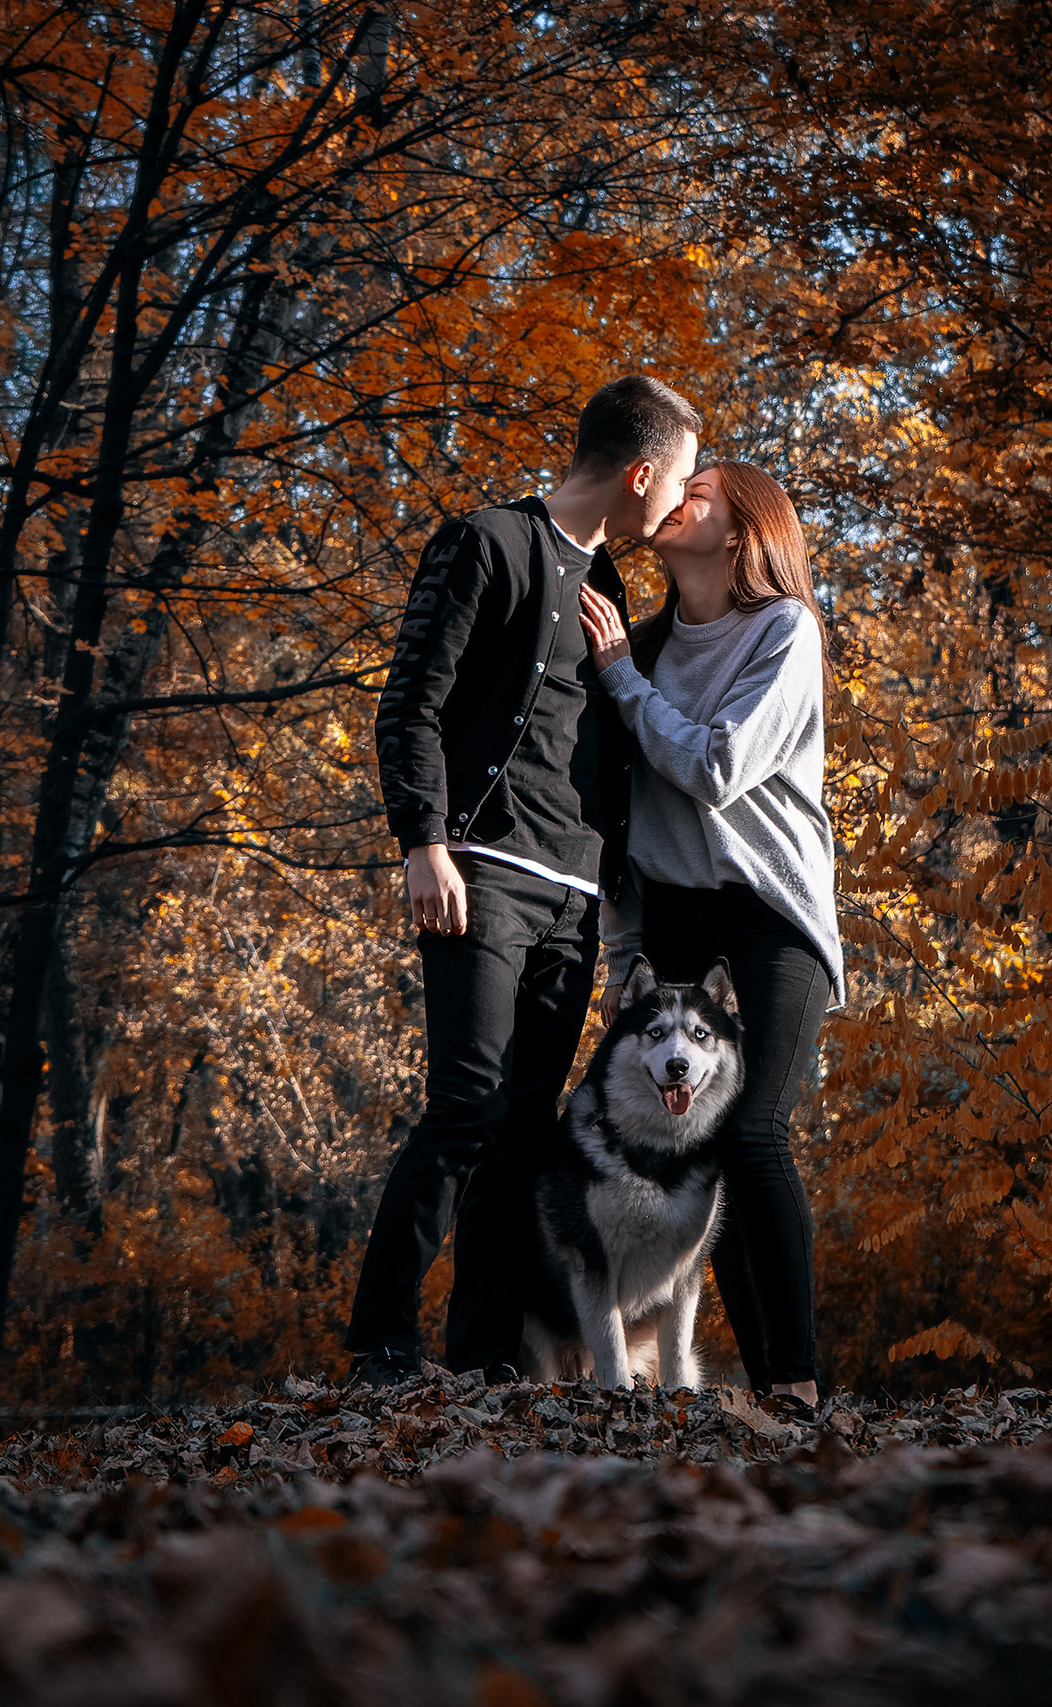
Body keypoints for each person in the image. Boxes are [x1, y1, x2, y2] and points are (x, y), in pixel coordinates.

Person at [348, 376, 704, 1384]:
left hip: (574, 896)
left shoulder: (614, 590)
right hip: (483, 871)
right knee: (466, 1105)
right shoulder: (487, 543)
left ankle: (483, 1361)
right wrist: (424, 842)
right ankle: (379, 1343)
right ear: (639, 473)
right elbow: (409, 703)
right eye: (675, 481)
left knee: (522, 1133)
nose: (676, 504)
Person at [578, 462, 842, 1409]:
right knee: (699, 1146)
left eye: (702, 492)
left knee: (753, 1126)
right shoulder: (641, 645)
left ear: (739, 533)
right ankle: (768, 1384)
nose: (676, 498)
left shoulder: (786, 630)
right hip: (677, 916)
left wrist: (618, 679)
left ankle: (799, 1381)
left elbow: (718, 764)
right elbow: (626, 827)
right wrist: (625, 958)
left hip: (771, 912)